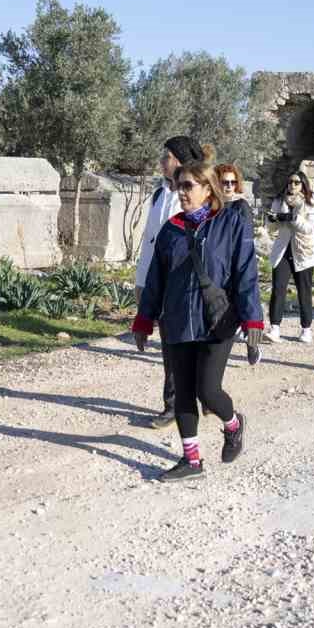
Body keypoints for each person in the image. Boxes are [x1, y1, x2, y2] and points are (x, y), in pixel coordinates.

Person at [132, 158, 264, 482]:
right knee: (183, 393)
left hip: (217, 321)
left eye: (188, 186)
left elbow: (246, 273)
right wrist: (144, 319)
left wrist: (253, 321)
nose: (181, 192)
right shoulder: (171, 230)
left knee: (208, 390)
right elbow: (155, 280)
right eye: (179, 186)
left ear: (208, 189)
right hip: (177, 321)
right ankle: (192, 460)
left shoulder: (230, 223)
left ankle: (233, 424)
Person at [136, 136, 202, 428]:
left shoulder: (192, 197)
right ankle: (174, 403)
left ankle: (196, 396)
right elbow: (149, 243)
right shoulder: (159, 194)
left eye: (167, 156)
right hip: (156, 281)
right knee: (169, 346)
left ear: (181, 161)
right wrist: (141, 282)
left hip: (184, 284)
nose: (162, 161)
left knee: (187, 346)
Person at [267, 169, 314, 343]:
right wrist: (274, 220)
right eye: (290, 181)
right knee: (278, 288)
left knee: (304, 290)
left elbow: (309, 228)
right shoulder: (279, 200)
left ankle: (306, 329)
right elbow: (271, 228)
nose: (292, 185)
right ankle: (274, 327)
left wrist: (292, 218)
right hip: (283, 250)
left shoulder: (312, 201)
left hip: (304, 251)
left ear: (303, 184)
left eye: (297, 182)